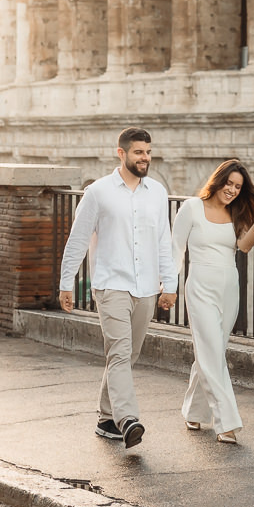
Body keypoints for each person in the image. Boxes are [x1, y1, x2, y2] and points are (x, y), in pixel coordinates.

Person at [57, 127, 177, 449]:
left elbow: (163, 241)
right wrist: (66, 283)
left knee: (127, 354)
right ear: (121, 153)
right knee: (121, 352)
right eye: (138, 152)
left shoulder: (157, 193)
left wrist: (170, 283)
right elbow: (78, 239)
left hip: (146, 287)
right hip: (111, 285)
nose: (145, 158)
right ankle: (128, 420)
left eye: (148, 152)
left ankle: (106, 418)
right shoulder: (98, 192)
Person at [171, 160, 254, 443]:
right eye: (228, 183)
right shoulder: (192, 207)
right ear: (217, 181)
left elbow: (245, 246)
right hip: (200, 286)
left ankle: (194, 410)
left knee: (212, 353)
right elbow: (175, 249)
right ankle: (226, 422)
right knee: (211, 352)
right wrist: (169, 287)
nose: (232, 190)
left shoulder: (237, 212)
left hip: (229, 287)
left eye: (238, 187)